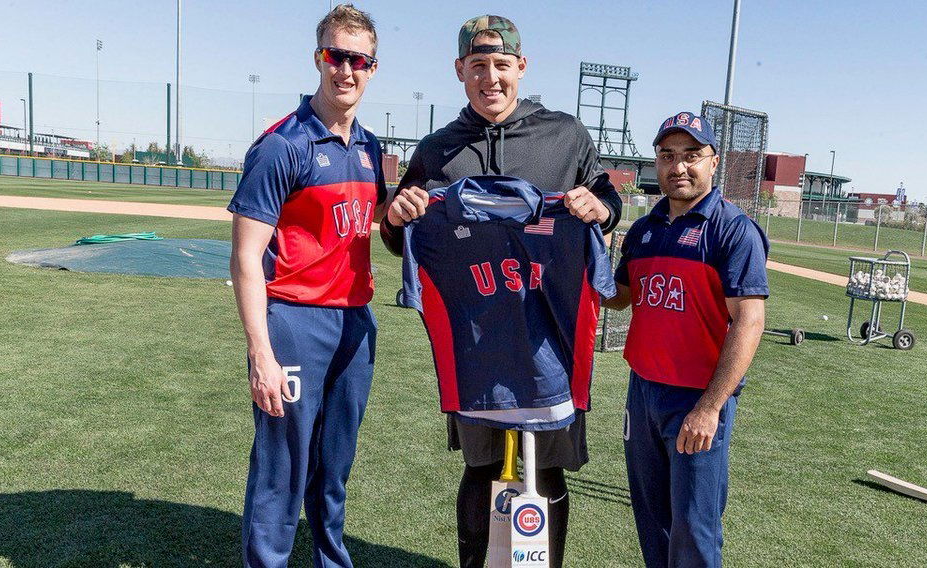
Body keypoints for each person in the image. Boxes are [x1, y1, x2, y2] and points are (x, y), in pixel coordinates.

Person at [378, 14, 623, 568]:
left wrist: (601, 209)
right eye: (479, 66)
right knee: (481, 466)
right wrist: (397, 219)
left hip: (549, 339)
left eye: (502, 65)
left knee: (549, 467)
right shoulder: (439, 149)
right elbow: (403, 238)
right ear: (460, 71)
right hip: (478, 340)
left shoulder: (565, 136)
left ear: (522, 68)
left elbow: (608, 198)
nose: (491, 78)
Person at [227, 5, 385, 567]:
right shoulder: (281, 146)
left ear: (372, 67)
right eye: (335, 56)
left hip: (355, 324)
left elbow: (380, 227)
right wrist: (260, 352)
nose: (346, 70)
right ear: (319, 58)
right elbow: (246, 257)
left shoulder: (370, 148)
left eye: (358, 60)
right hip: (294, 323)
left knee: (334, 467)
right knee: (282, 469)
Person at [605, 112, 769, 567]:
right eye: (667, 156)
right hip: (643, 393)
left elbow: (749, 322)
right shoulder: (644, 229)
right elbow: (618, 298)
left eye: (692, 155)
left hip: (696, 399)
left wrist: (710, 407)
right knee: (652, 521)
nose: (679, 167)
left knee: (694, 530)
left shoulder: (732, 229)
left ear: (713, 162)